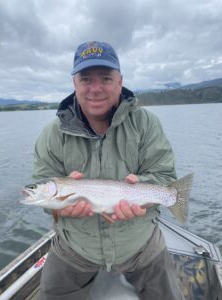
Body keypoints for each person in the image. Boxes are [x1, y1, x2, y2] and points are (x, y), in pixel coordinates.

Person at [33, 41, 184, 300]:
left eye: (105, 78)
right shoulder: (51, 134)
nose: (95, 88)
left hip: (141, 245)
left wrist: (143, 186)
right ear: (74, 83)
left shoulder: (146, 123)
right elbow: (42, 186)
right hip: (74, 249)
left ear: (120, 80)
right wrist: (57, 206)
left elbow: (164, 176)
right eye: (86, 79)